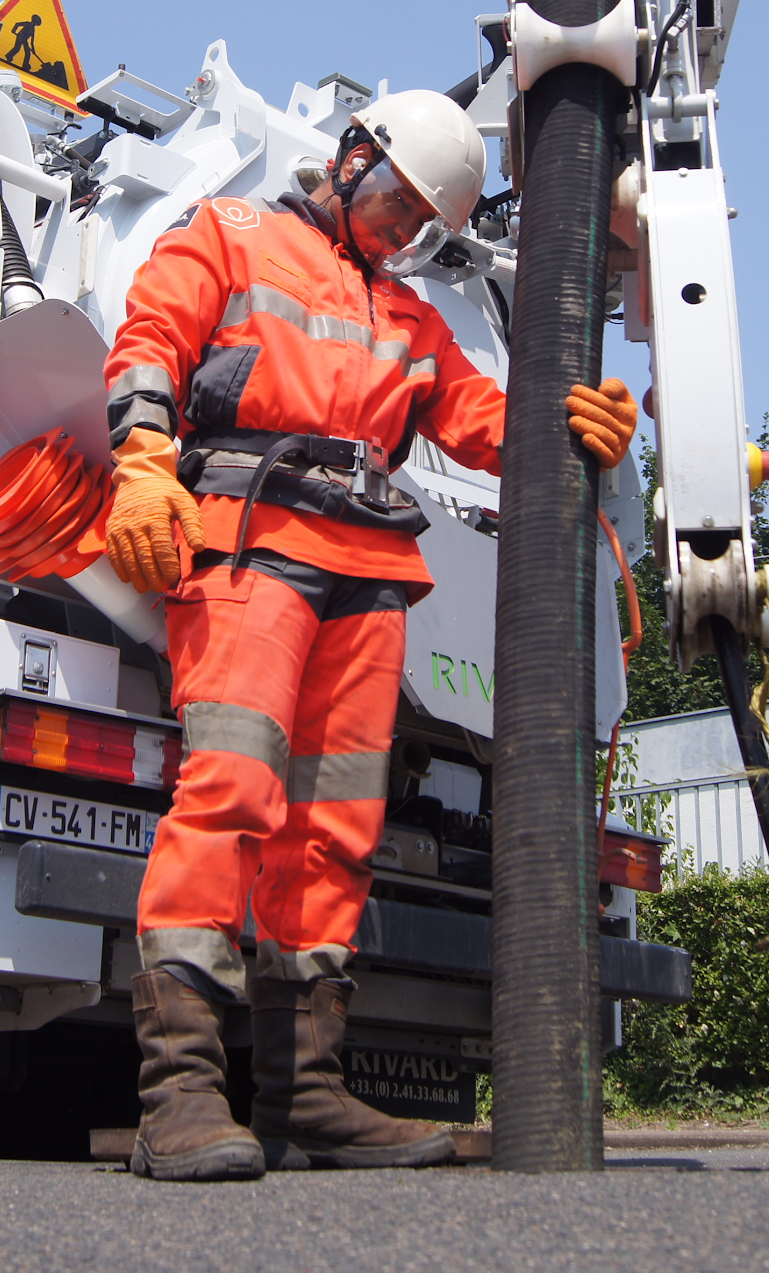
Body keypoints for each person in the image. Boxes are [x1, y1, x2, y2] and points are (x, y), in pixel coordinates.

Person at [102, 89, 637, 1181]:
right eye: (394, 204)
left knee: (334, 828)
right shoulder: (231, 232)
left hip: (369, 566)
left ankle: (304, 1095)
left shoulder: (411, 317)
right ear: (351, 158)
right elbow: (151, 333)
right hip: (251, 537)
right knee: (230, 790)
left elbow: (487, 419)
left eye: (419, 227)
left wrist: (585, 419)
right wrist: (141, 455)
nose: (398, 233)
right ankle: (181, 1092)